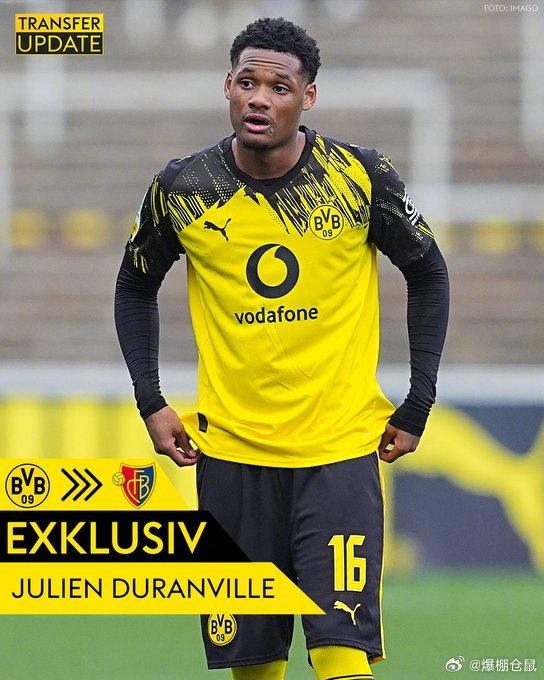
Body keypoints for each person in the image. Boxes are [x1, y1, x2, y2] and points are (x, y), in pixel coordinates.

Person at [115, 16, 449, 680]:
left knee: (340, 653)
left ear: (308, 97)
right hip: (231, 459)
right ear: (228, 87)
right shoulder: (185, 189)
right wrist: (151, 400)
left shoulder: (358, 177)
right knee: (255, 664)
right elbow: (134, 285)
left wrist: (419, 400)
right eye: (248, 83)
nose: (260, 99)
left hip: (337, 458)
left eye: (279, 87)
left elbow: (429, 273)